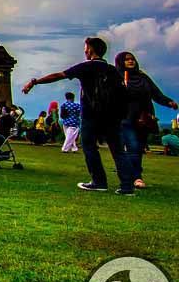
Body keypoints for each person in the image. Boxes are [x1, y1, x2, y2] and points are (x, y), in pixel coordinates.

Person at [23, 36, 136, 194]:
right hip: (112, 116)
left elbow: (58, 76)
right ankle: (127, 186)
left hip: (91, 115)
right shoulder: (112, 70)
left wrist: (34, 82)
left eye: (85, 49)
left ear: (90, 50)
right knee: (118, 150)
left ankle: (99, 182)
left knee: (90, 148)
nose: (85, 51)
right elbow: (123, 94)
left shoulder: (86, 67)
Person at [115, 51, 177, 189]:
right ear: (121, 62)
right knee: (133, 147)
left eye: (132, 59)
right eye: (127, 60)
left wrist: (168, 102)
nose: (131, 62)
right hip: (125, 118)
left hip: (143, 118)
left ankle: (131, 173)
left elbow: (156, 94)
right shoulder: (117, 77)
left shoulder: (143, 78)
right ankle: (136, 177)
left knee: (138, 149)